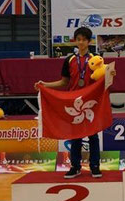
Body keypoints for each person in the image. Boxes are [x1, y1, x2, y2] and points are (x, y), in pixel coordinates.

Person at [35, 27, 114, 179]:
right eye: (79, 39)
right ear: (75, 41)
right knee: (75, 135)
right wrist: (45, 85)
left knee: (93, 135)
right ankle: (75, 166)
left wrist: (110, 75)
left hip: (91, 102)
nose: (81, 42)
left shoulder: (97, 58)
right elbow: (64, 82)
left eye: (84, 39)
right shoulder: (69, 60)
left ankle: (95, 166)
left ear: (89, 41)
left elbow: (103, 80)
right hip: (74, 102)